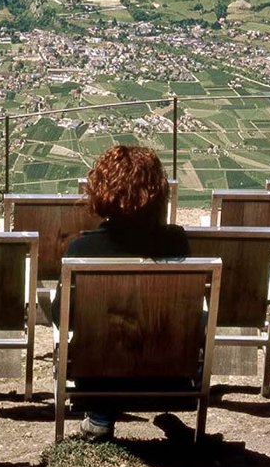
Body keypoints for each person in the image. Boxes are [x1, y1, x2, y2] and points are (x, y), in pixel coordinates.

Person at [61, 144, 189, 441]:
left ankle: (100, 417)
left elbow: (61, 315)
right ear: (157, 193)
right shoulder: (176, 243)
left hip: (98, 379)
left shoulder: (82, 250)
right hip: (171, 378)